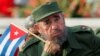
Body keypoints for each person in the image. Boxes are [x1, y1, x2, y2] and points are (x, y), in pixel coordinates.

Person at [18, 1, 100, 56]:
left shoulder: (85, 38)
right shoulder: (29, 51)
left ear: (63, 18)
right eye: (47, 22)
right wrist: (46, 54)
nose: (54, 26)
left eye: (57, 19)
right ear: (38, 28)